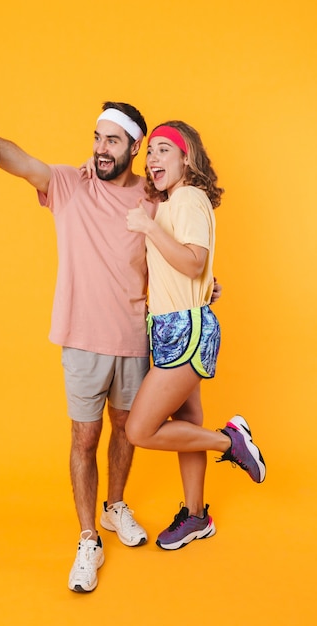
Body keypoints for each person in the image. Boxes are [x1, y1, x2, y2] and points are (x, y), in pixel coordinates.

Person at [0, 102, 159, 593]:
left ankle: (115, 507)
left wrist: (205, 286)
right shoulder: (69, 185)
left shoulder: (155, 201)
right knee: (84, 440)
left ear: (134, 147)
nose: (100, 148)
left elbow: (174, 259)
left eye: (113, 141)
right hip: (83, 340)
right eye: (97, 137)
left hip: (135, 337)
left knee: (126, 431)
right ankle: (89, 536)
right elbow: (20, 161)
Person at [125, 120, 266, 551]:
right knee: (185, 423)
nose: (152, 160)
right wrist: (206, 286)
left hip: (184, 331)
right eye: (149, 152)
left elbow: (191, 260)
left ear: (187, 157)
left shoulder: (186, 197)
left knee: (139, 430)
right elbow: (193, 269)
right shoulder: (174, 203)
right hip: (178, 325)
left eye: (163, 150)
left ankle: (231, 442)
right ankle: (197, 515)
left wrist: (149, 229)